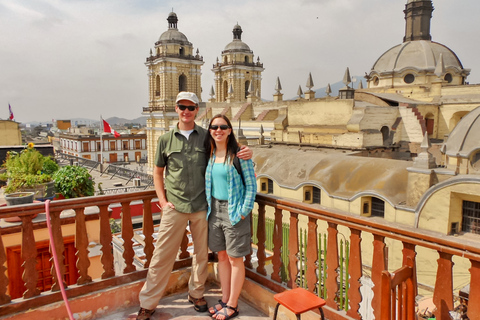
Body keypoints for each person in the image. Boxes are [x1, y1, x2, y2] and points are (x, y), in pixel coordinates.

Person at [136, 92, 252, 320]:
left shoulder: (205, 137)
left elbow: (227, 147)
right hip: (175, 206)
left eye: (191, 107)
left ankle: (196, 293)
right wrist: (162, 200)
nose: (186, 111)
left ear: (197, 110)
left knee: (201, 255)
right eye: (182, 107)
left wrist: (246, 151)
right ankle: (148, 303)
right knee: (161, 256)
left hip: (202, 207)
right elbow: (158, 172)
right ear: (177, 109)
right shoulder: (165, 139)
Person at [205, 115, 257, 320]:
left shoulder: (239, 154)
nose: (218, 130)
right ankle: (224, 299)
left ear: (229, 130)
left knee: (236, 259)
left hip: (234, 210)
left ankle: (233, 305)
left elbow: (251, 186)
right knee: (222, 257)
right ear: (209, 130)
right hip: (214, 211)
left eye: (223, 127)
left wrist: (243, 211)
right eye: (214, 127)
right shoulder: (209, 154)